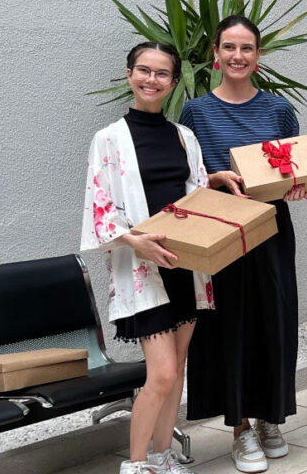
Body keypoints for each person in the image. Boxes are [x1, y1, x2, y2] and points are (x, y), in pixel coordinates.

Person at [180, 15, 305, 473]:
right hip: (220, 231)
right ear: (216, 53)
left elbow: (297, 171)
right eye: (229, 47)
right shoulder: (196, 112)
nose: (238, 56)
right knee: (230, 326)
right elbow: (186, 179)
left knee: (274, 321)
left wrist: (297, 185)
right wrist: (213, 177)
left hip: (271, 229)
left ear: (259, 55)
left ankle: (272, 418)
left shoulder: (278, 110)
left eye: (247, 48)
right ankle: (240, 428)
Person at [82, 42, 212, 474]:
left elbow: (198, 193)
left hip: (184, 265)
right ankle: (136, 466)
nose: (151, 80)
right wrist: (138, 241)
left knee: (177, 370)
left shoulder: (184, 136)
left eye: (161, 74)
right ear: (129, 74)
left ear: (174, 82)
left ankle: (162, 456)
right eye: (143, 70)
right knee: (159, 374)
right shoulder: (108, 139)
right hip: (141, 269)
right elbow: (100, 210)